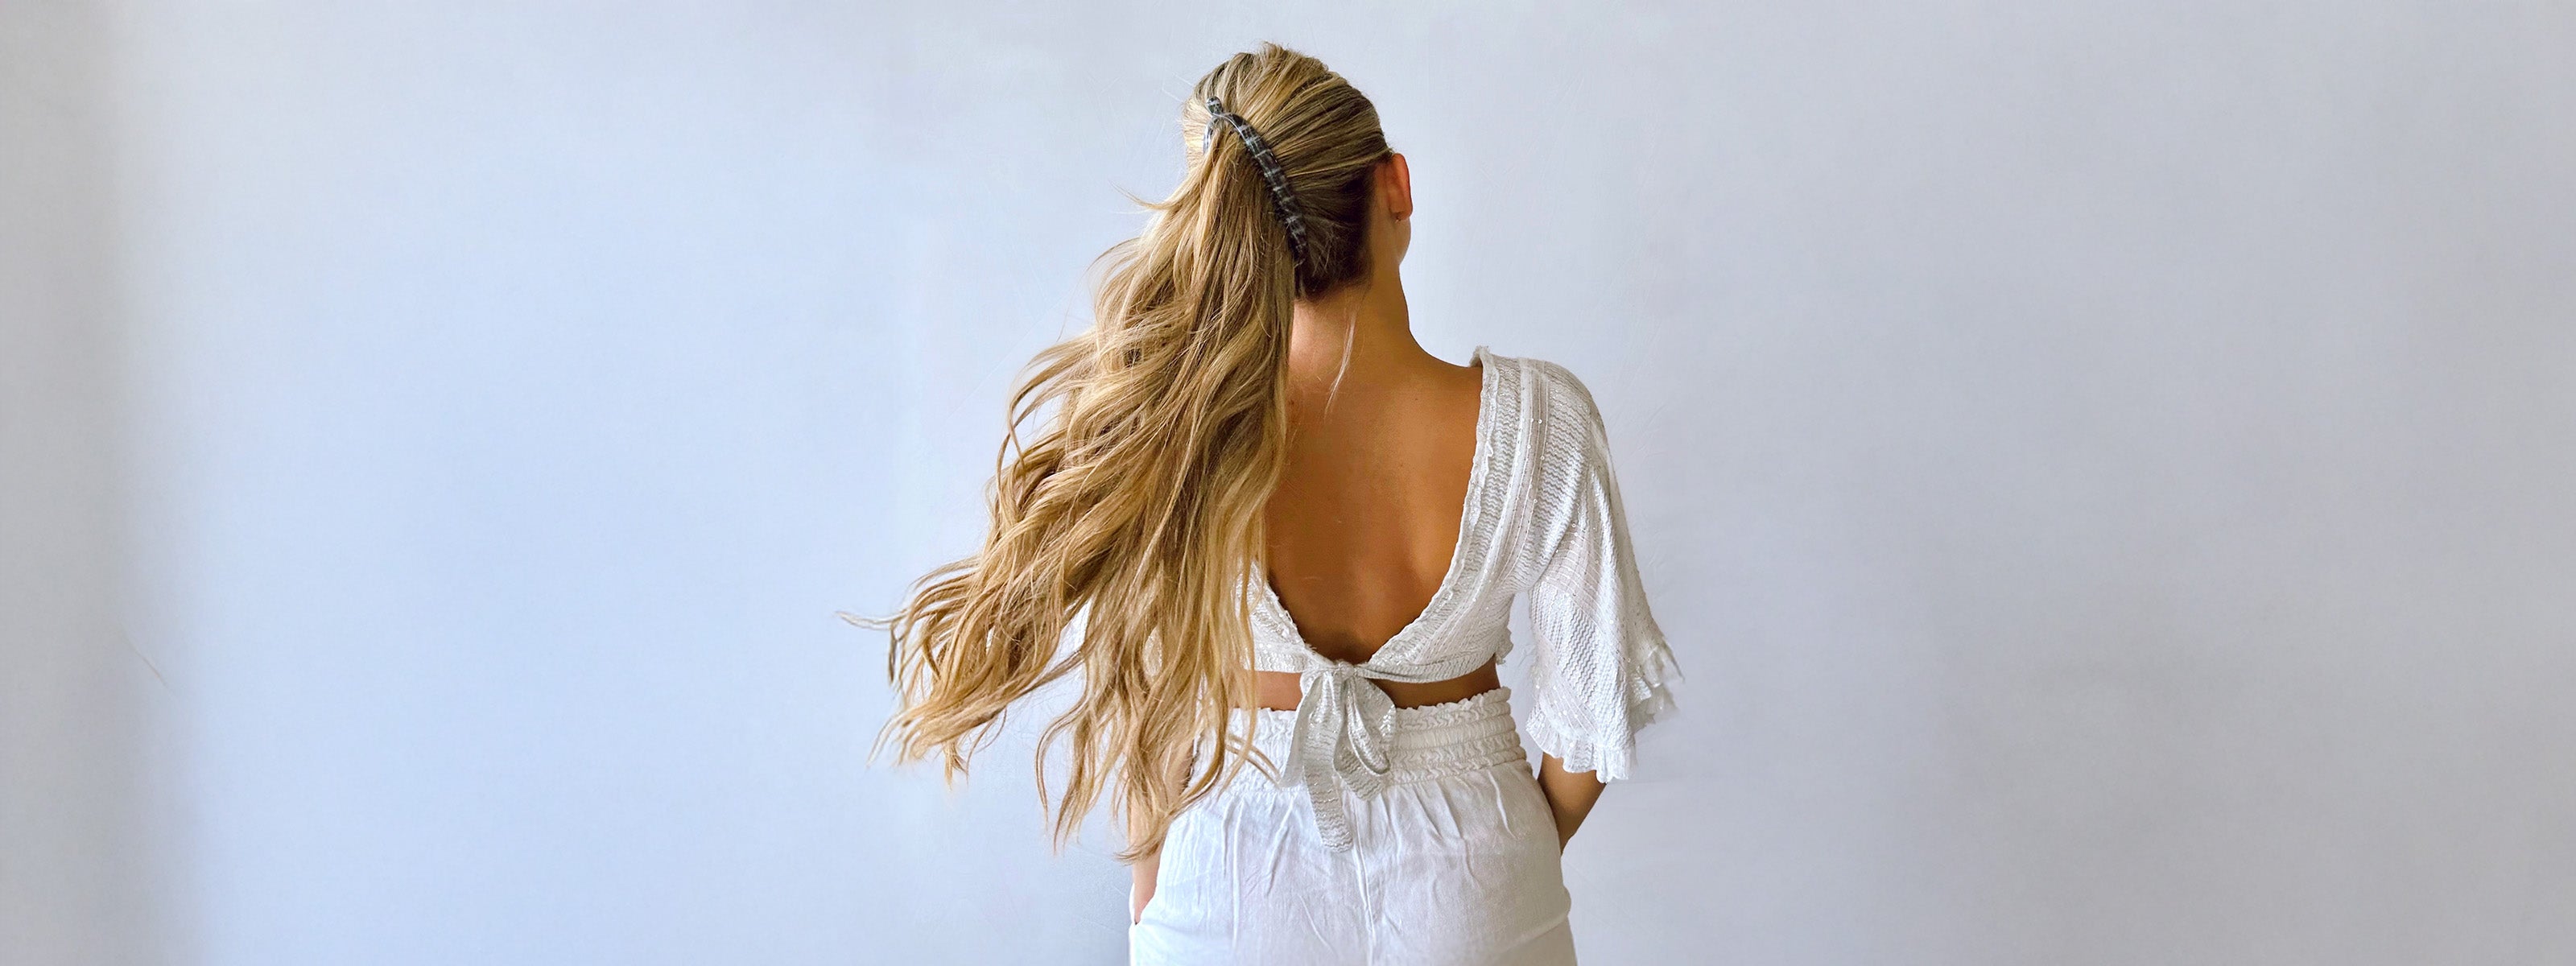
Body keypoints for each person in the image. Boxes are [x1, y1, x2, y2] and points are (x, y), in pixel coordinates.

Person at [870, 42, 1679, 965]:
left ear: (1218, 219)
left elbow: (1148, 698)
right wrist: (1504, 860)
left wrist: (1150, 890)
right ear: (1395, 185)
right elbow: (1589, 713)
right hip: (1475, 875)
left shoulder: (1173, 425)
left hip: (1231, 874)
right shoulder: (1539, 421)